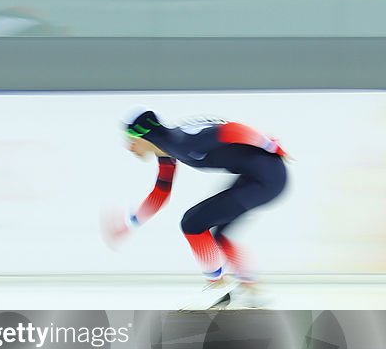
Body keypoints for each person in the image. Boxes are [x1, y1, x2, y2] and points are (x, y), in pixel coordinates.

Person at [105, 110, 289, 309]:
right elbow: (160, 193)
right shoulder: (169, 148)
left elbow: (232, 130)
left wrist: (269, 145)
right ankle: (253, 290)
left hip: (267, 180)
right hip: (256, 177)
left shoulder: (182, 143)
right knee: (218, 233)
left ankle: (218, 286)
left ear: (145, 136)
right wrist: (130, 224)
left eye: (131, 139)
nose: (129, 147)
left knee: (193, 223)